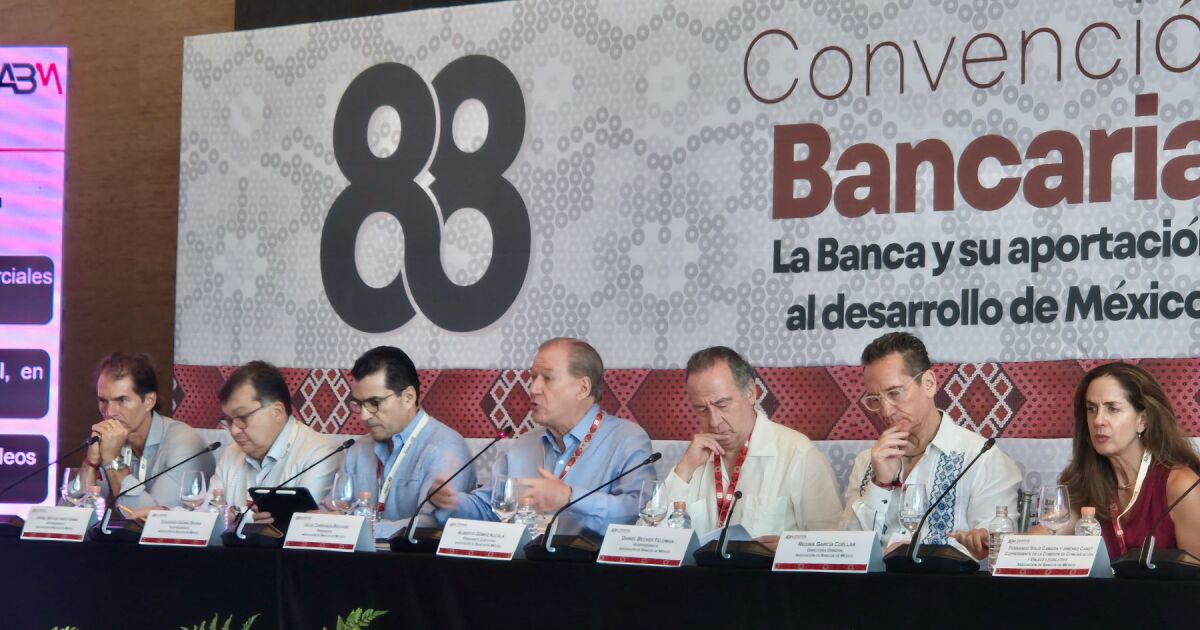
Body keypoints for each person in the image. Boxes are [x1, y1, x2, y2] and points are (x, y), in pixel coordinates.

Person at [429, 338, 654, 536]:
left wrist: (569, 497)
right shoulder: (524, 444)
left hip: (589, 568)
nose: (533, 388)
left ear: (583, 388)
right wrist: (453, 502)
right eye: (533, 377)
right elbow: (493, 508)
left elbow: (638, 512)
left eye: (547, 378)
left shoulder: (627, 439)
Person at [840, 332, 1021, 559]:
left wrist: (983, 540)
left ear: (929, 383)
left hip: (948, 581)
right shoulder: (867, 461)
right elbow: (846, 550)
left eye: (894, 393)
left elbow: (996, 545)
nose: (885, 411)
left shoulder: (981, 457)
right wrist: (880, 484)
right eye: (875, 399)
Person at [662, 346, 842, 547]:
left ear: (750, 393)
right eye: (702, 409)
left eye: (722, 405)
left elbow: (833, 547)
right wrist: (684, 470)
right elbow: (650, 540)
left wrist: (788, 549)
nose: (714, 421)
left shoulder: (798, 454)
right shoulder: (693, 460)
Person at [1046, 362, 1200, 558]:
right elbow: (1040, 539)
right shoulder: (1086, 482)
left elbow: (1194, 572)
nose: (1098, 420)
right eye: (1091, 409)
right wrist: (1010, 546)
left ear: (1142, 420)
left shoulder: (1181, 486)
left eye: (1112, 409)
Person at [334, 346, 474, 533]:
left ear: (408, 397)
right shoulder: (358, 448)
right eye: (359, 404)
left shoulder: (445, 448)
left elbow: (431, 526)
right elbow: (335, 508)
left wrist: (359, 529)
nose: (364, 416)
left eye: (374, 403)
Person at [209, 361, 343, 524]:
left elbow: (301, 521)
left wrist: (237, 515)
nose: (234, 431)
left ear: (277, 412)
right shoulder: (231, 453)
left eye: (242, 417)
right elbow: (207, 514)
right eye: (229, 421)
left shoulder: (320, 453)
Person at [81, 353, 215, 512]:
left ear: (149, 401)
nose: (109, 412)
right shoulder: (111, 440)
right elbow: (71, 513)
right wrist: (91, 463)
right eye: (103, 401)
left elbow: (155, 519)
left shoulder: (184, 443)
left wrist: (113, 461)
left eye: (122, 400)